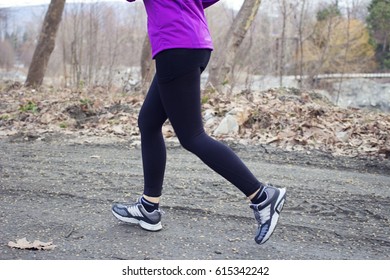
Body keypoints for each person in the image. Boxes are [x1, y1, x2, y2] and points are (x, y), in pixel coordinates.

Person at [112, 0, 286, 245]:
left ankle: (261, 195)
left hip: (175, 45)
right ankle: (149, 208)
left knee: (192, 136)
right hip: (195, 43)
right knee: (149, 122)